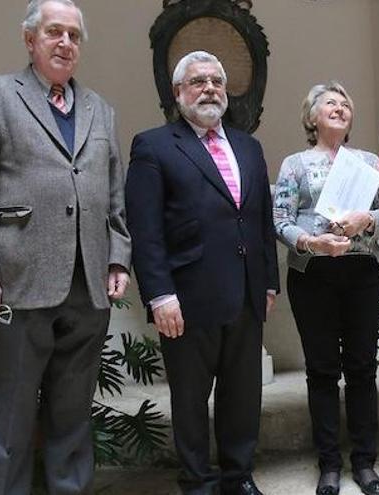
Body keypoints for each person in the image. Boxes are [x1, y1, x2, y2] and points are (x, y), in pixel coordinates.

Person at [0, 1, 131, 493]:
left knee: (72, 411)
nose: (65, 43)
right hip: (19, 281)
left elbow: (114, 192)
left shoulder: (99, 108)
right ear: (30, 40)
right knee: (9, 410)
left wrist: (118, 257)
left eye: (73, 35)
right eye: (54, 32)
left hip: (88, 283)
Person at [125, 51, 280, 495]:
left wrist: (268, 279)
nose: (209, 88)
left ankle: (238, 474)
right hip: (187, 298)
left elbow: (260, 218)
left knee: (242, 394)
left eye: (216, 80)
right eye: (197, 81)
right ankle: (197, 481)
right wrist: (159, 296)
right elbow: (146, 228)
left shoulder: (248, 146)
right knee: (191, 399)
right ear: (178, 93)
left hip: (246, 292)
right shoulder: (154, 145)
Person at [273, 82, 379, 495]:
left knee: (362, 369)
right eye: (331, 103)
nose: (340, 108)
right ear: (312, 116)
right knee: (322, 371)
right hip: (313, 275)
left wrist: (368, 221)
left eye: (346, 103)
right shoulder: (295, 164)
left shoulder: (368, 162)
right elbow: (280, 220)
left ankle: (364, 462)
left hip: (363, 272)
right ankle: (329, 464)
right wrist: (312, 242)